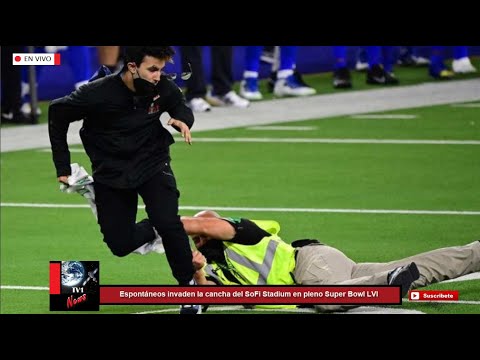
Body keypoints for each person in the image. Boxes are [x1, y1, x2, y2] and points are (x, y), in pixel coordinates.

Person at [48, 46, 201, 314]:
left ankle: (188, 289)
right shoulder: (96, 93)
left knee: (168, 221)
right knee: (119, 244)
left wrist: (182, 119)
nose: (158, 75)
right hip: (111, 172)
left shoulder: (162, 87)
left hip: (153, 163)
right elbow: (57, 113)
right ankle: (157, 228)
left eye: (162, 69)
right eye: (152, 69)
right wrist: (62, 164)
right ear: (132, 66)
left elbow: (179, 105)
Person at [181, 210, 480, 313]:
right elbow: (208, 295)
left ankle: (386, 284)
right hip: (335, 269)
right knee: (418, 269)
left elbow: (207, 225)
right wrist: (197, 273)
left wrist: (161, 224)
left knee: (324, 299)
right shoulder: (217, 267)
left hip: (309, 266)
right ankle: (475, 253)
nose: (199, 242)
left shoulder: (244, 233)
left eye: (201, 237)